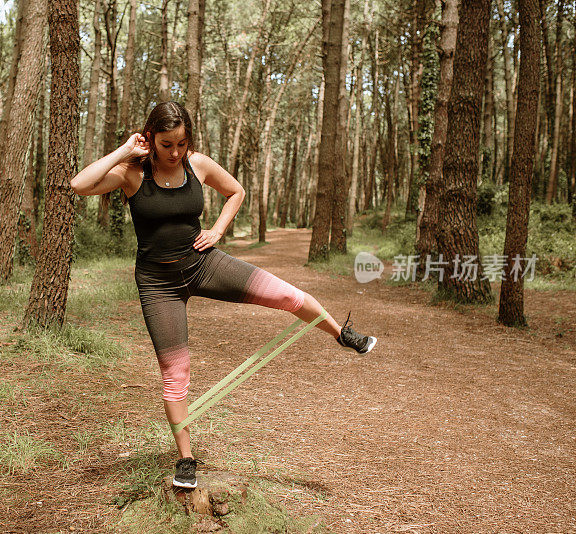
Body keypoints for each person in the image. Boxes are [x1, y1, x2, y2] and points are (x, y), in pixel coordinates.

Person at [70, 101, 376, 489]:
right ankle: (186, 459)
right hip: (157, 283)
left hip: (205, 263)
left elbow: (236, 191)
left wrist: (217, 231)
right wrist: (126, 150)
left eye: (181, 143)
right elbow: (79, 185)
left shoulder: (197, 164)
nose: (176, 152)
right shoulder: (132, 173)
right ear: (150, 138)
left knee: (286, 295)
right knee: (175, 373)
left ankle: (342, 334)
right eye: (166, 144)